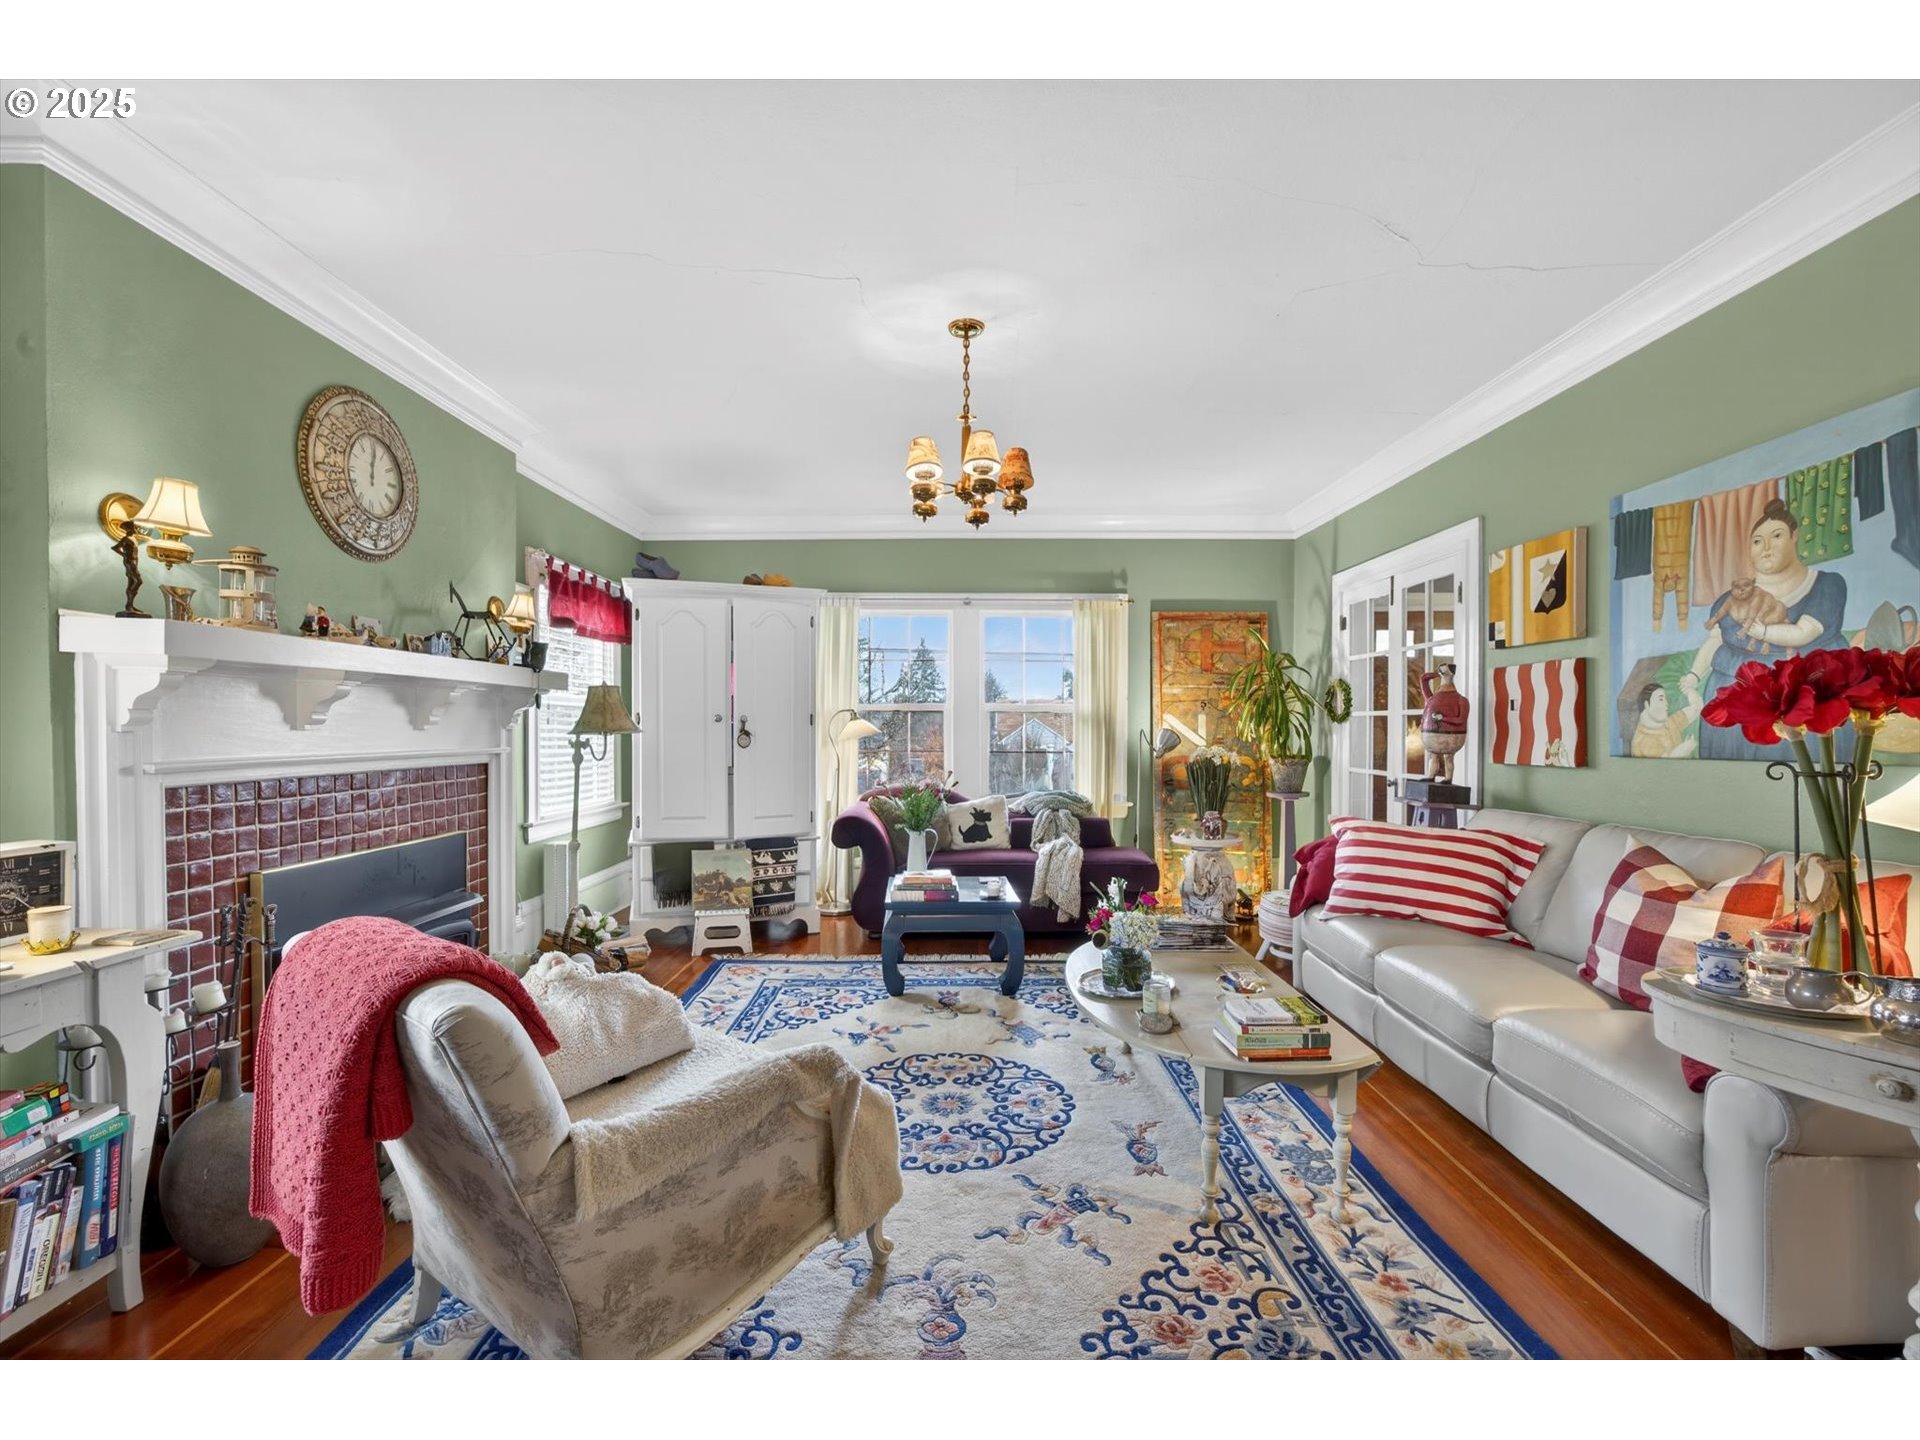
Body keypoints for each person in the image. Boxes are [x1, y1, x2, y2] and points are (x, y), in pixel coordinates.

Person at [1687, 498, 1849, 760]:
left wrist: (1759, 631)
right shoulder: (1729, 599)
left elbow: (1802, 634)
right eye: (1757, 541)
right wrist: (1693, 676)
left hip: (1807, 705)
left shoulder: (1827, 586)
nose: (1766, 548)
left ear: (1794, 537)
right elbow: (1715, 642)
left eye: (1776, 536)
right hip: (1731, 707)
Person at [1630, 674, 1702, 758]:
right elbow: (1662, 767)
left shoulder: (1668, 722)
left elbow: (1697, 708)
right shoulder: (1644, 741)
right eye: (1661, 699)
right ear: (1646, 705)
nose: (1666, 704)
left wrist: (1689, 690)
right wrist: (1681, 751)